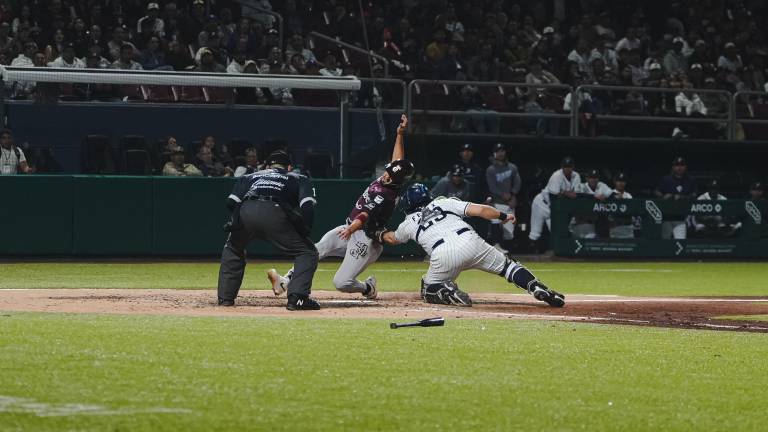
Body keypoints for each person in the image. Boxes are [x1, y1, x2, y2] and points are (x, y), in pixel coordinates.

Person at [268, 115, 414, 299]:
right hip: (351, 229)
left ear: (397, 181)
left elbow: (365, 214)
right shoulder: (394, 179)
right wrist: (400, 134)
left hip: (366, 240)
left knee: (341, 283)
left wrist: (351, 228)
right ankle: (285, 282)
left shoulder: (386, 195)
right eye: (388, 171)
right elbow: (398, 160)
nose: (386, 175)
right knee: (315, 249)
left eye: (390, 175)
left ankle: (368, 288)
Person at [379, 184, 564, 307]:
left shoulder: (407, 223)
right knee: (509, 267)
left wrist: (377, 233)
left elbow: (391, 239)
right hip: (471, 241)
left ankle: (446, 293)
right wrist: (503, 216)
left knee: (427, 288)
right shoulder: (444, 202)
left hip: (443, 254)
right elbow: (482, 210)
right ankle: (536, 286)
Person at [218, 150, 319, 310]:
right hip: (275, 212)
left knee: (233, 249)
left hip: (246, 210)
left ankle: (225, 299)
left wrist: (239, 221)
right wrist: (305, 229)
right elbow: (307, 207)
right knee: (308, 252)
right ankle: (297, 299)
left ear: (266, 166)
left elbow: (230, 203)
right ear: (289, 167)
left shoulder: (250, 176)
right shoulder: (299, 178)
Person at [529, 157, 581, 248]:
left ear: (573, 167)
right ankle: (531, 255)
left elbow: (576, 195)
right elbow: (553, 197)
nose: (567, 169)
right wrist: (566, 193)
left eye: (569, 166)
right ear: (562, 167)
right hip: (541, 204)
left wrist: (563, 193)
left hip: (555, 208)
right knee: (535, 233)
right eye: (565, 166)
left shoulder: (576, 176)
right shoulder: (556, 175)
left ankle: (555, 254)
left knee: (557, 232)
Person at [485, 143, 522, 253]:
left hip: (509, 202)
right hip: (497, 202)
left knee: (509, 232)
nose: (500, 153)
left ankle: (508, 252)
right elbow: (492, 187)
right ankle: (496, 246)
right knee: (495, 222)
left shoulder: (512, 167)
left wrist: (513, 195)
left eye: (502, 151)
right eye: (498, 151)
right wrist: (502, 194)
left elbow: (517, 182)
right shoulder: (491, 169)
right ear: (494, 154)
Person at [655, 156, 697, 239]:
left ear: (685, 167)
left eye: (682, 165)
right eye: (677, 165)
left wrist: (682, 197)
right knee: (664, 243)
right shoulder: (666, 179)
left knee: (680, 244)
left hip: (681, 218)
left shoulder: (690, 180)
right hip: (666, 217)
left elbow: (694, 194)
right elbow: (657, 191)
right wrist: (664, 196)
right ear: (673, 167)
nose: (679, 167)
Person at [572, 169, 613, 239]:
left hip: (591, 225)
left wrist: (608, 197)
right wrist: (593, 196)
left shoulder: (601, 185)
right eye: (591, 177)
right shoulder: (581, 186)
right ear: (587, 179)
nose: (594, 180)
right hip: (576, 224)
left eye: (595, 178)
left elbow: (612, 194)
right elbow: (576, 195)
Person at [609, 172, 635, 239]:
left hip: (628, 229)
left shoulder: (629, 196)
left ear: (625, 183)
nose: (620, 183)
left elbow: (632, 213)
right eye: (618, 181)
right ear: (615, 182)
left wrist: (622, 200)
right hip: (615, 228)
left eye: (623, 181)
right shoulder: (609, 193)